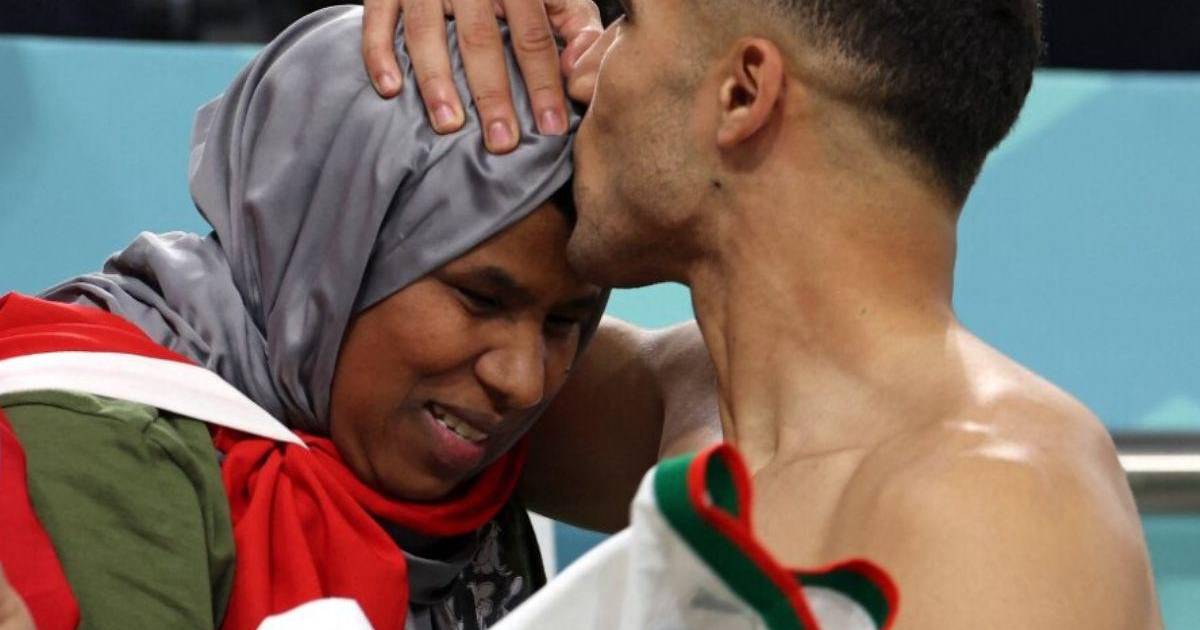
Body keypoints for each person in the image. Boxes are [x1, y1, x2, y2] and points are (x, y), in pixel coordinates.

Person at [362, 0, 1164, 627]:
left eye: (629, 20)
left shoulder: (1006, 505)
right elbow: (348, 344)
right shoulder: (694, 403)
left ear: (743, 93)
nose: (582, 67)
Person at [0, 6, 723, 630]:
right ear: (329, 248)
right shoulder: (98, 440)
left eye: (566, 322)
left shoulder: (450, 429)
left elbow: (739, 382)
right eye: (480, 300)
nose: (522, 381)